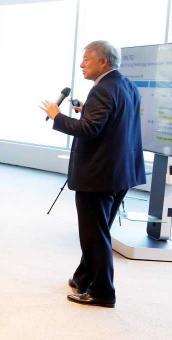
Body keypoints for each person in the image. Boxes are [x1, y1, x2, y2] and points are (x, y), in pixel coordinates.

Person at [40, 40, 146, 308]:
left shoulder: (102, 90)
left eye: (86, 59)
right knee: (98, 229)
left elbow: (89, 130)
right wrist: (85, 109)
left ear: (103, 62)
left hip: (99, 174)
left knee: (94, 233)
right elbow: (112, 122)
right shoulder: (125, 85)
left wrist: (57, 116)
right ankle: (84, 276)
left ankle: (102, 292)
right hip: (121, 172)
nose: (81, 64)